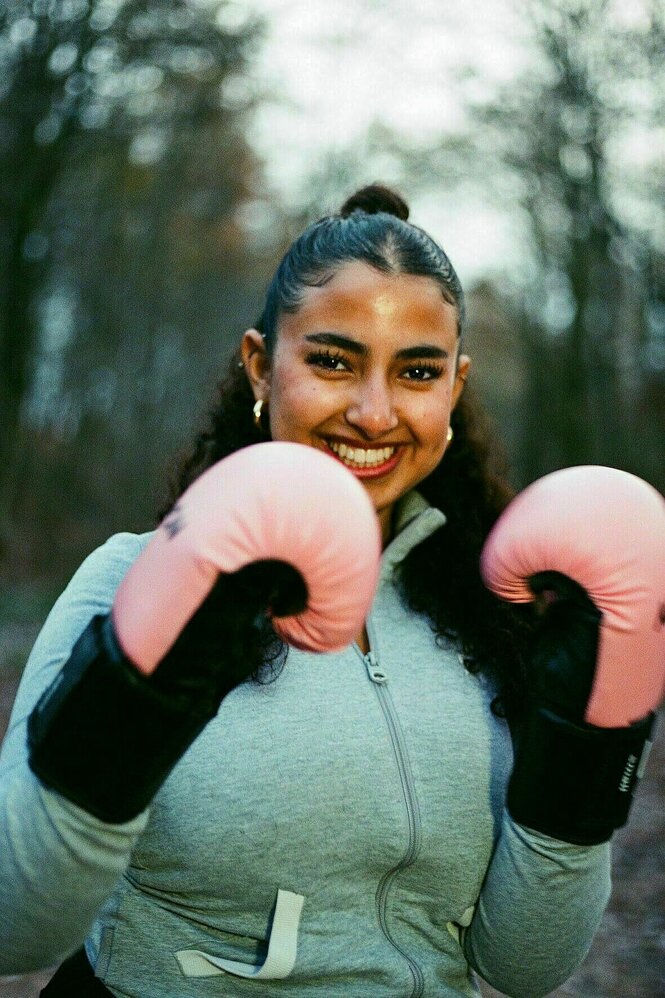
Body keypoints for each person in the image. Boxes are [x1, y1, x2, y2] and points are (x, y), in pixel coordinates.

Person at [1, 183, 659, 998]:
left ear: (453, 389)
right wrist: (127, 698)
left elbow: (525, 965)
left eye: (416, 372)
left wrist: (585, 760)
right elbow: (15, 927)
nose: (374, 413)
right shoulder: (130, 578)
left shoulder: (501, 615)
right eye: (333, 361)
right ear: (259, 364)